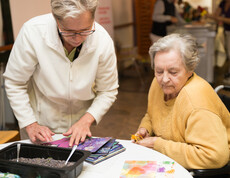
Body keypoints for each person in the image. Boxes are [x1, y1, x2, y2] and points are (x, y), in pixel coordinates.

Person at [3, 0, 119, 147]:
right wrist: (30, 123)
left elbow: (107, 90)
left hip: (79, 125)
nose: (77, 38)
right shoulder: (33, 32)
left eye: (84, 30)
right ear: (56, 19)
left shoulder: (102, 40)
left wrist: (86, 120)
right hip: (39, 124)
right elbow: (15, 82)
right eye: (69, 32)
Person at [132, 33, 230, 169]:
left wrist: (157, 144)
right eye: (159, 71)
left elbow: (214, 156)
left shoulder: (196, 100)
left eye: (173, 72)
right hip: (171, 161)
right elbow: (151, 114)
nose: (164, 79)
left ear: (190, 69)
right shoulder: (158, 83)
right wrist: (145, 129)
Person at [207, 0, 230, 84]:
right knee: (229, 54)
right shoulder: (223, 3)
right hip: (227, 31)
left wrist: (220, 18)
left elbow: (220, 18)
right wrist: (207, 14)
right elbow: (216, 15)